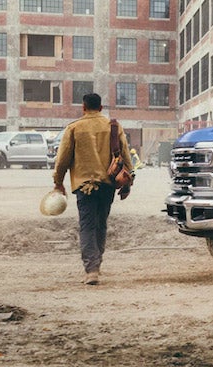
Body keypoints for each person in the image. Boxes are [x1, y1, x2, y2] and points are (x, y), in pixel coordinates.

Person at [52, 93, 132, 285]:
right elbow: (126, 157)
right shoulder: (114, 126)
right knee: (101, 224)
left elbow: (62, 159)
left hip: (84, 186)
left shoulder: (74, 128)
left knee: (87, 226)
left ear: (83, 107)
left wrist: (58, 181)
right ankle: (97, 264)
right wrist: (128, 183)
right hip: (107, 185)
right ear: (101, 108)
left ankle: (91, 270)